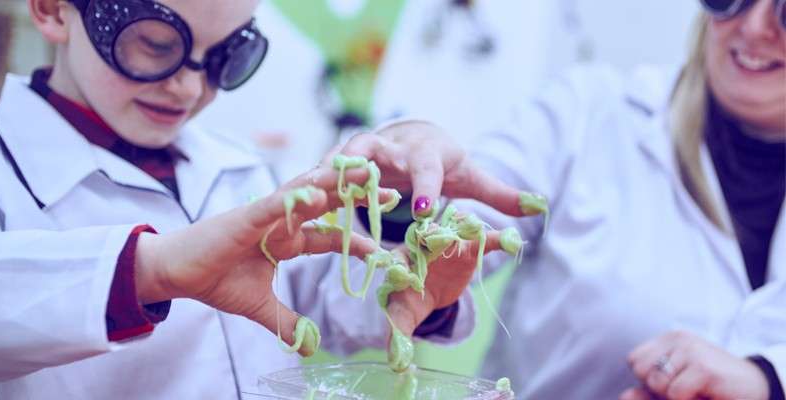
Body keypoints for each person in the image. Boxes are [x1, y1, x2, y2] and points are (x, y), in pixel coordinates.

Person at [0, 0, 535, 398]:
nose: (189, 86)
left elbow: (322, 306)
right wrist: (153, 271)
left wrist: (410, 274)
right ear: (52, 10)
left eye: (227, 56)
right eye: (154, 45)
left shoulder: (237, 165)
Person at [335, 0, 786, 398]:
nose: (752, 27)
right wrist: (405, 203)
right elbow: (466, 213)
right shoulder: (586, 116)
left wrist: (767, 380)